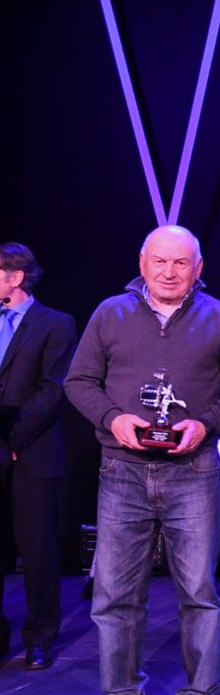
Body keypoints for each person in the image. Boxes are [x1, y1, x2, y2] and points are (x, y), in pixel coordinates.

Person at [65, 225, 220, 695]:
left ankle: (203, 690)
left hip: (195, 471)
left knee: (199, 596)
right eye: (160, 261)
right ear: (142, 262)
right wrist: (113, 419)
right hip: (121, 471)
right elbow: (79, 381)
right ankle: (122, 689)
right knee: (114, 597)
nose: (169, 272)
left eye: (181, 262)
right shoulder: (110, 313)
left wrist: (206, 423)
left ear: (198, 269)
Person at [0, 243, 77, 671]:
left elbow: (53, 388)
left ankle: (39, 637)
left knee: (38, 550)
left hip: (34, 450)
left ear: (15, 277)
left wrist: (14, 436)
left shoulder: (57, 323)